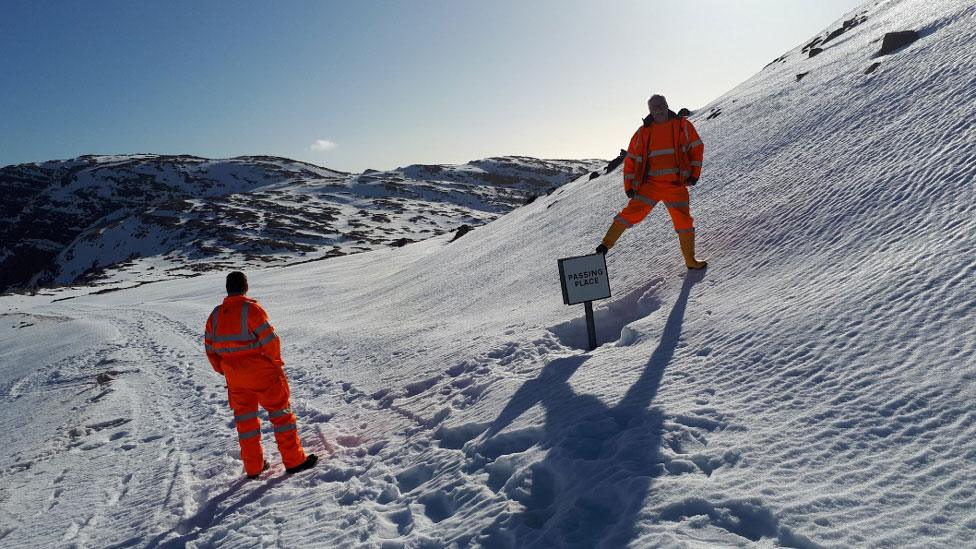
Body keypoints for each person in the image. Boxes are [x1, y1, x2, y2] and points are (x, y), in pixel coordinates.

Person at [204, 271, 317, 479]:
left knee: (245, 423)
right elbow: (270, 341)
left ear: (228, 289)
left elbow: (210, 349)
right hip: (262, 373)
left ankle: (254, 467)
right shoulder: (251, 310)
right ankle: (294, 461)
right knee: (281, 415)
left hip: (235, 378)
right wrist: (274, 363)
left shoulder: (216, 315)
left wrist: (225, 369)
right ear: (246, 287)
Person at [596, 94, 707, 269]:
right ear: (649, 110)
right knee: (629, 214)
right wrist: (629, 187)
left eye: (661, 105)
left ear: (667, 105)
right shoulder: (643, 132)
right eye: (654, 107)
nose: (658, 109)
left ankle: (690, 261)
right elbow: (631, 160)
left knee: (684, 223)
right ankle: (604, 245)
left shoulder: (682, 125)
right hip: (650, 186)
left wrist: (694, 175)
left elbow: (697, 148)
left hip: (675, 185)